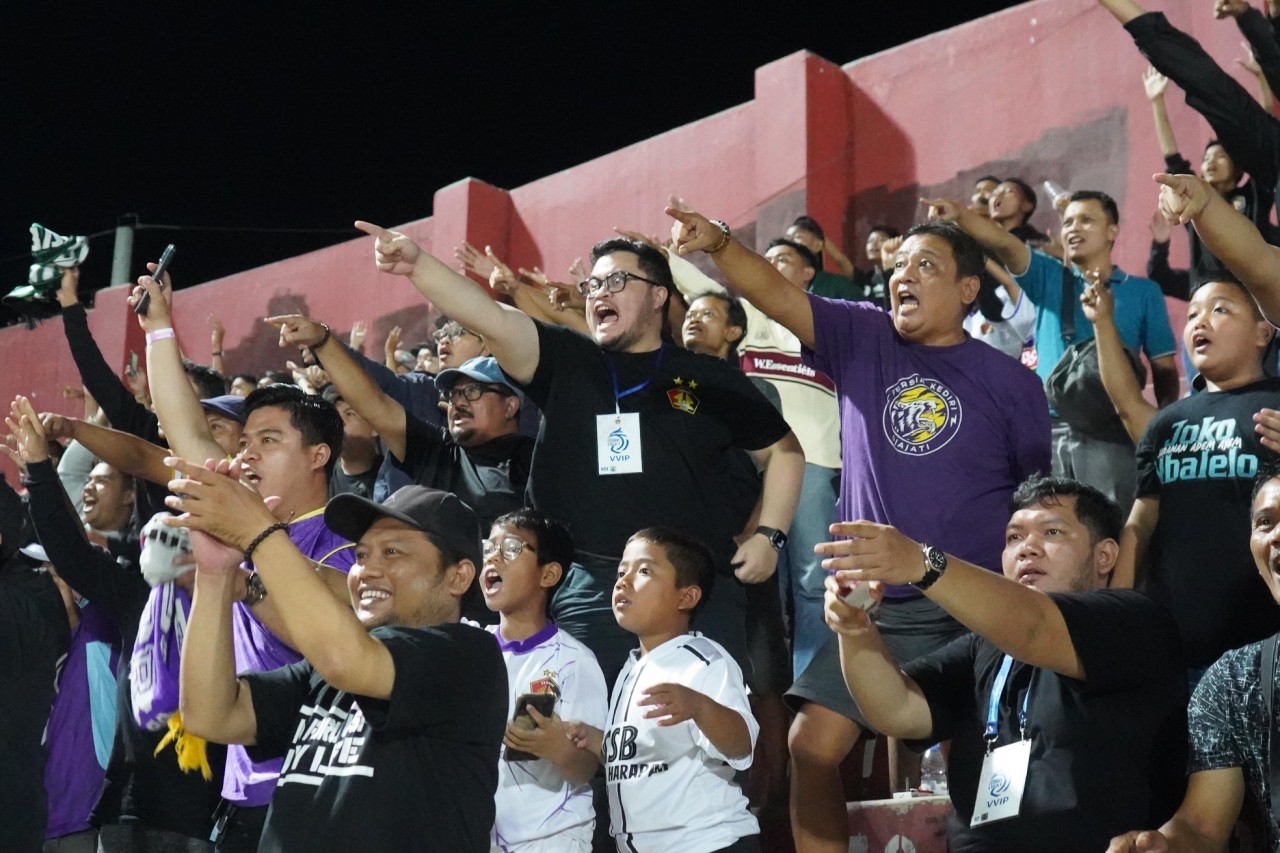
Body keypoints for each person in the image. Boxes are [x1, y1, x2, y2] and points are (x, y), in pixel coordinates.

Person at [665, 206, 1050, 853]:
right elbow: (778, 295)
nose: (904, 275)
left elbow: (1032, 495)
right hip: (877, 607)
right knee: (810, 744)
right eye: (898, 264)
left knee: (992, 760)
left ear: (966, 289)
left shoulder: (1011, 382)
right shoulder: (863, 337)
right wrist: (720, 246)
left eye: (926, 265)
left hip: (973, 600)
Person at [353, 221, 803, 690]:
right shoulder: (565, 359)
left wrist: (770, 536)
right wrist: (418, 265)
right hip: (590, 589)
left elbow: (785, 452)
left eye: (617, 281)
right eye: (593, 284)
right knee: (585, 742)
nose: (598, 293)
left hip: (694, 591)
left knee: (698, 746)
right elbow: (492, 317)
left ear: (658, 296)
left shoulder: (710, 377)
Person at [824, 475, 1187, 850]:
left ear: (1105, 555)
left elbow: (1035, 626)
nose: (1027, 548)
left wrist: (922, 564)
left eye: (1053, 533)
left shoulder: (1135, 620)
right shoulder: (983, 646)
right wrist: (855, 631)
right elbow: (897, 710)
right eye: (1014, 537)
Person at [133, 272, 358, 853]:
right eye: (245, 441)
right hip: (238, 791)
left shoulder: (346, 541)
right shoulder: (239, 511)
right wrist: (159, 328)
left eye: (269, 441)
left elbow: (335, 647)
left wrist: (242, 581)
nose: (246, 452)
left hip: (309, 787)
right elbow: (184, 429)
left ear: (319, 455)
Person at [172, 478, 508, 853]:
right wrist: (215, 576)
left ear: (458, 576)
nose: (367, 570)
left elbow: (344, 660)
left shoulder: (469, 657)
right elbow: (210, 715)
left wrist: (259, 534)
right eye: (362, 556)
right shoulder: (325, 670)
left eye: (393, 552)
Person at [7, 395, 227, 852]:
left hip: (208, 815)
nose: (172, 544)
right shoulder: (140, 598)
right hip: (127, 809)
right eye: (165, 534)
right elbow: (72, 553)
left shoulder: (248, 606)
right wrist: (37, 470)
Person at [931, 191, 1178, 510]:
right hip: (1048, 431)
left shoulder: (1144, 292)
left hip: (1114, 433)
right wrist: (959, 214)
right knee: (1050, 530)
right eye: (1068, 222)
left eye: (1086, 220)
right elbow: (1005, 244)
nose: (1074, 228)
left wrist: (1166, 430)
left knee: (1111, 528)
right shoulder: (1046, 276)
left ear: (1112, 232)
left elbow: (1165, 369)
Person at [1107, 462, 1280, 853]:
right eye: (1265, 523)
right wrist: (1163, 845)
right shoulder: (1233, 681)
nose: (1277, 536)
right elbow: (1201, 826)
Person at [1117, 276, 1280, 668]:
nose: (1199, 322)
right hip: (1175, 647)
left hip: (1264, 645)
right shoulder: (1165, 423)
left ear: (1263, 332)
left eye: (1220, 309)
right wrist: (1114, 609)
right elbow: (1141, 523)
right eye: (1191, 315)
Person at [566, 528, 760, 853]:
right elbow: (643, 755)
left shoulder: (704, 659)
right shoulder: (629, 670)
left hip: (706, 844)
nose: (623, 582)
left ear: (687, 597)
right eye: (620, 571)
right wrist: (598, 742)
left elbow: (741, 747)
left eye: (643, 571)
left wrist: (700, 706)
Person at [480, 509, 606, 853]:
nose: (492, 556)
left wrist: (558, 748)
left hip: (550, 840)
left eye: (510, 548)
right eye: (488, 548)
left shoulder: (574, 661)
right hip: (477, 837)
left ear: (548, 574)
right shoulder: (470, 647)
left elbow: (586, 767)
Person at [1142, 64, 1275, 301]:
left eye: (1220, 156)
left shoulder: (1253, 195)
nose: (1210, 162)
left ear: (1238, 167)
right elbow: (1172, 156)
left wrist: (1262, 79)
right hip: (1215, 308)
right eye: (1206, 159)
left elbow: (1264, 142)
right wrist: (1156, 100)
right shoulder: (1195, 208)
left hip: (1258, 304)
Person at [785, 215, 865, 301]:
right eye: (787, 239)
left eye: (797, 237)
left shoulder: (837, 286)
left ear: (817, 245)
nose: (789, 243)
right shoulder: (779, 283)